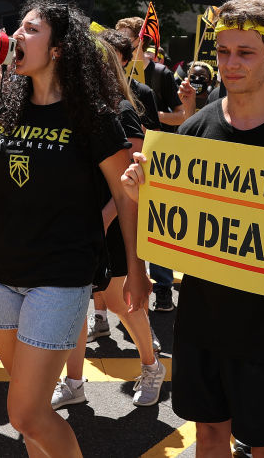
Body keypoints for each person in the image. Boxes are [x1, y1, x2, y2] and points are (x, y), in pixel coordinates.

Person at [123, 0, 264, 458]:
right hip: (202, 315)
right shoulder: (194, 130)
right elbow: (170, 219)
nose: (230, 64)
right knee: (208, 436)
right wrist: (140, 190)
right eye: (223, 52)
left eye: (245, 53)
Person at [0, 0, 148, 458]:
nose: (17, 35)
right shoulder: (5, 105)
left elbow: (124, 196)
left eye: (31, 29)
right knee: (30, 405)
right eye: (19, 27)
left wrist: (135, 270)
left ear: (58, 49)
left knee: (25, 414)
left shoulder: (93, 115)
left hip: (59, 277)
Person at [50, 41, 166, 411]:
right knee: (73, 305)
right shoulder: (68, 109)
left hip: (114, 224)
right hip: (74, 224)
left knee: (123, 303)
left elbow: (132, 179)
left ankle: (151, 366)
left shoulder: (121, 110)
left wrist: (102, 219)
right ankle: (73, 382)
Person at [115, 17, 186, 312]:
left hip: (148, 160)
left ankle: (164, 288)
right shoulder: (100, 83)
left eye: (123, 39)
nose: (116, 44)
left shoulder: (157, 76)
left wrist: (142, 132)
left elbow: (177, 116)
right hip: (117, 161)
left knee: (152, 223)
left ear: (138, 43)